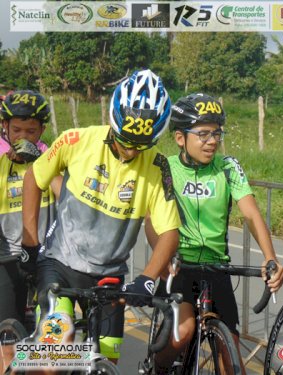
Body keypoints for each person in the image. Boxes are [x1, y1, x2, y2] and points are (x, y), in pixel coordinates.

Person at [21, 69, 181, 363]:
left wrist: (146, 278)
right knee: (56, 350)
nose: (131, 150)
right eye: (125, 140)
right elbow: (34, 177)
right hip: (61, 264)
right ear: (113, 119)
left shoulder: (158, 167)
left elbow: (170, 231)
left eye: (140, 145)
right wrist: (30, 243)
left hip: (108, 277)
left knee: (106, 361)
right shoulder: (76, 140)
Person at [145, 93, 283, 374]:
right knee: (183, 332)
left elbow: (251, 213)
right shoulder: (166, 167)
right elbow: (151, 219)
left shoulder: (227, 167)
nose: (212, 141)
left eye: (217, 133)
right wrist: (162, 258)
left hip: (216, 268)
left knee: (232, 361)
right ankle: (157, 368)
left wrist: (271, 258)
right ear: (179, 137)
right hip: (179, 267)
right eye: (203, 134)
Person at [0, 90, 57, 325]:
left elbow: (66, 194)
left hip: (47, 256)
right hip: (7, 257)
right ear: (5, 126)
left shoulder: (51, 154)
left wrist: (38, 161)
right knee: (8, 335)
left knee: (53, 334)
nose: (23, 136)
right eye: (16, 131)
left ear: (42, 130)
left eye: (31, 131)